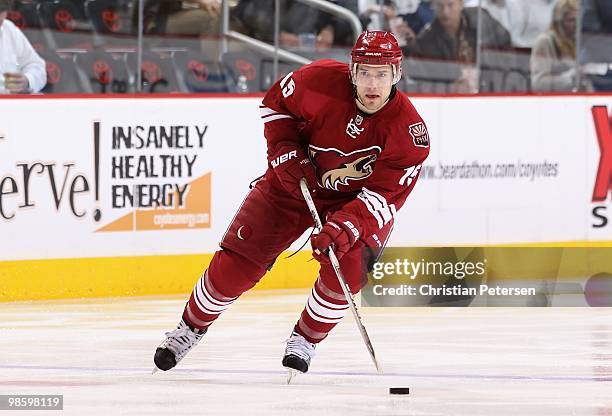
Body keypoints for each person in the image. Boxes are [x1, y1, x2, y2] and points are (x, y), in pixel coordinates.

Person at [152, 31, 430, 375]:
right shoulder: (317, 80)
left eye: (382, 74)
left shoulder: (409, 132)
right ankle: (189, 329)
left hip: (354, 202)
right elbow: (275, 105)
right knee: (236, 265)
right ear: (352, 71)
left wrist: (346, 225)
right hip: (293, 183)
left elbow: (383, 198)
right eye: (365, 73)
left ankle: (306, 339)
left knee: (350, 267)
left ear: (397, 74)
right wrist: (283, 151)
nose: (373, 84)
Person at [409, 0, 511, 92]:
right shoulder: (426, 41)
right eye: (440, 6)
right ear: (433, 6)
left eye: (450, 5)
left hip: (493, 87)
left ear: (461, 4)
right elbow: (428, 80)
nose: (445, 12)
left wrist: (500, 74)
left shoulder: (481, 18)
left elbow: (505, 42)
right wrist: (450, 88)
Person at [531, 0, 591, 91]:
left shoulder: (580, 41)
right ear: (559, 22)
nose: (576, 24)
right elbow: (538, 83)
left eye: (579, 19)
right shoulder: (546, 41)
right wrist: (569, 78)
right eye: (571, 20)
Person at [0, 0, 45, 93]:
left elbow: (36, 65)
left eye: (0, 21)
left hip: (15, 103)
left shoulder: (8, 29)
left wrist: (27, 80)